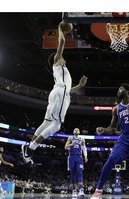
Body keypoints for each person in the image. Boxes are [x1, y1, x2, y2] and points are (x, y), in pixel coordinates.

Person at [21, 21, 88, 164]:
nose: (63, 57)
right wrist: (61, 30)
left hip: (58, 92)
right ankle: (31, 148)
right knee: (56, 125)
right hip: (60, 92)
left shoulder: (60, 71)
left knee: (46, 123)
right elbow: (62, 43)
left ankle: (28, 147)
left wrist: (79, 85)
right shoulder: (57, 61)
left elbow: (69, 91)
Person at [64, 128, 88, 197]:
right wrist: (72, 144)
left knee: (80, 173)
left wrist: (85, 156)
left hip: (79, 157)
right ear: (73, 132)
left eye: (78, 129)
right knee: (73, 174)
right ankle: (74, 190)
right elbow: (65, 147)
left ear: (79, 132)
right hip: (71, 157)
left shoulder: (82, 139)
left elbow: (84, 148)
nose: (76, 130)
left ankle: (81, 190)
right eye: (75, 129)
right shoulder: (70, 138)